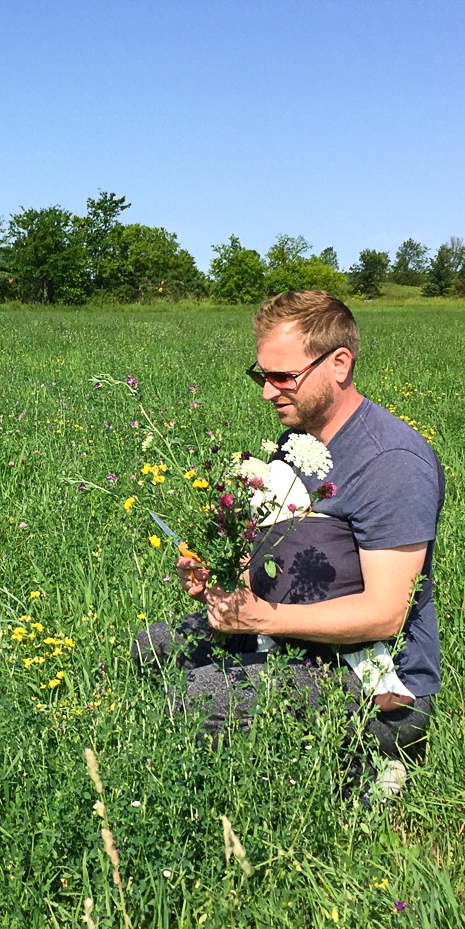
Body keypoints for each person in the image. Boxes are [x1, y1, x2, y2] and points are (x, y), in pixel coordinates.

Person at [132, 289, 445, 787]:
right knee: (148, 650)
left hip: (374, 678)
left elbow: (387, 614)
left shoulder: (392, 463)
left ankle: (368, 769)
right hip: (283, 633)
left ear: (338, 364)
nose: (266, 391)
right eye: (261, 375)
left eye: (282, 377)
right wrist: (217, 578)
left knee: (195, 698)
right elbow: (273, 547)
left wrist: (265, 618)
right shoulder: (296, 441)